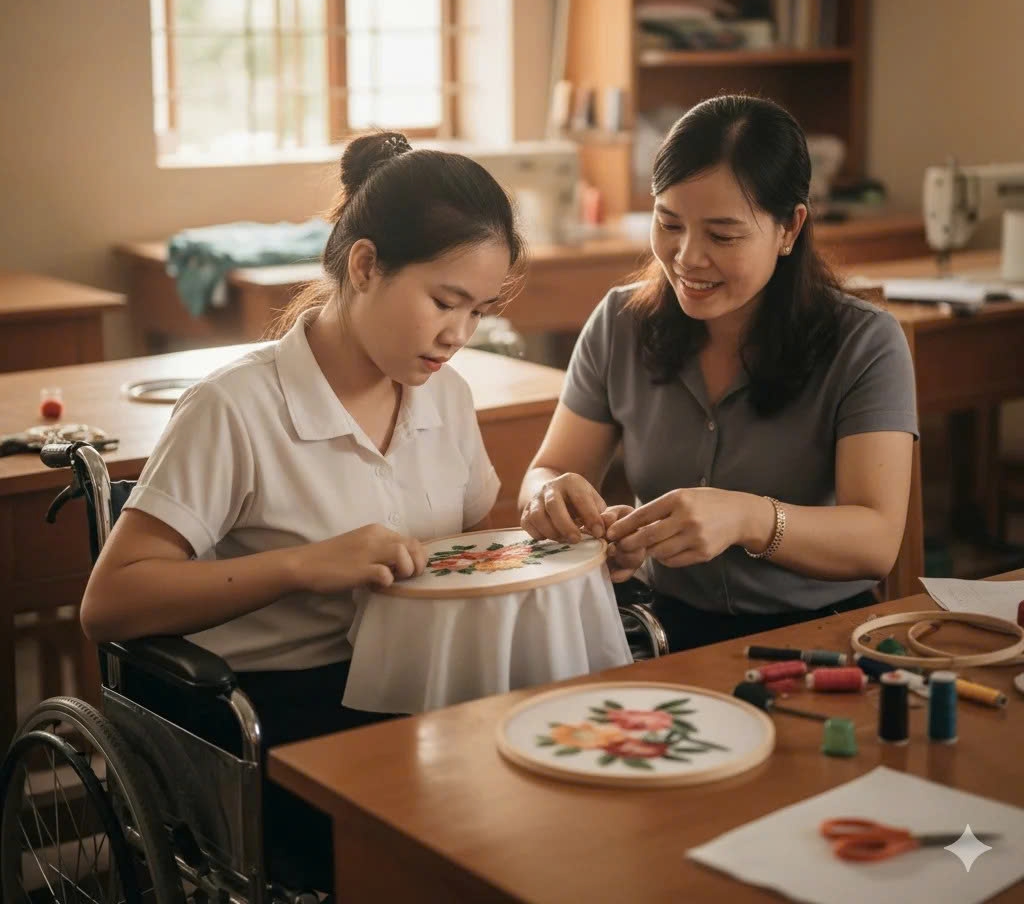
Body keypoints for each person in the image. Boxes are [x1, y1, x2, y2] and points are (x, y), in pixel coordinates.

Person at [80, 130, 525, 891]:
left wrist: (556, 542)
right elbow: (109, 604)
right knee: (446, 840)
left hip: (421, 685)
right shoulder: (236, 407)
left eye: (479, 311)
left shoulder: (444, 393)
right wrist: (300, 567)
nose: (459, 334)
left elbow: (475, 540)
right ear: (364, 265)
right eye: (444, 302)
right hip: (281, 710)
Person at [519, 94, 917, 653]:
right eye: (668, 223)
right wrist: (556, 502)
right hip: (661, 631)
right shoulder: (620, 323)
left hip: (820, 634)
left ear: (789, 228)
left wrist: (749, 519)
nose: (686, 257)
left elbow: (876, 541)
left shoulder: (864, 342)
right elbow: (551, 470)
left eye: (722, 235)